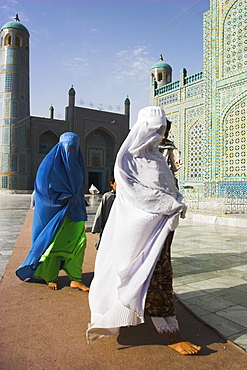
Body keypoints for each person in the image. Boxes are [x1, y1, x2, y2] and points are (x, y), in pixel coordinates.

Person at [86, 106, 201, 355]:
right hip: (138, 231)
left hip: (162, 229)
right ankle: (169, 332)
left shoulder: (158, 158)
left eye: (162, 131)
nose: (159, 135)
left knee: (158, 276)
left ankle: (164, 323)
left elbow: (169, 186)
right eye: (155, 129)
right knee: (149, 275)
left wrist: (177, 199)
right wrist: (171, 203)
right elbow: (138, 196)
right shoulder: (127, 160)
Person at [16, 132, 89, 291]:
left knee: (79, 243)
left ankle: (75, 279)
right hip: (55, 212)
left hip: (74, 211)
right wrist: (61, 197)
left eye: (74, 147)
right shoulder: (48, 165)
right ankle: (50, 277)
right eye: (68, 147)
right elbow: (42, 188)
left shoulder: (77, 162)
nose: (71, 151)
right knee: (52, 244)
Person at [91, 173, 116, 249]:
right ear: (111, 183)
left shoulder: (127, 197)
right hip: (108, 227)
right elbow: (100, 213)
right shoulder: (108, 196)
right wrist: (97, 228)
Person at [159, 119, 182, 189]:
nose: (164, 137)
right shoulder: (144, 149)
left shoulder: (170, 147)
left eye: (166, 134)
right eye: (162, 133)